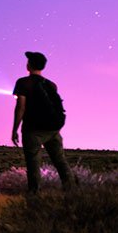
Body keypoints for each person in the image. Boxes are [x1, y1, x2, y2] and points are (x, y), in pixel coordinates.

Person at [12, 51, 73, 194]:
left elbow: (20, 107)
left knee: (33, 164)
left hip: (33, 130)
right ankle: (72, 193)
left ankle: (34, 197)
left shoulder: (23, 83)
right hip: (53, 130)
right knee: (60, 161)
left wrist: (15, 129)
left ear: (29, 65)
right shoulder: (51, 84)